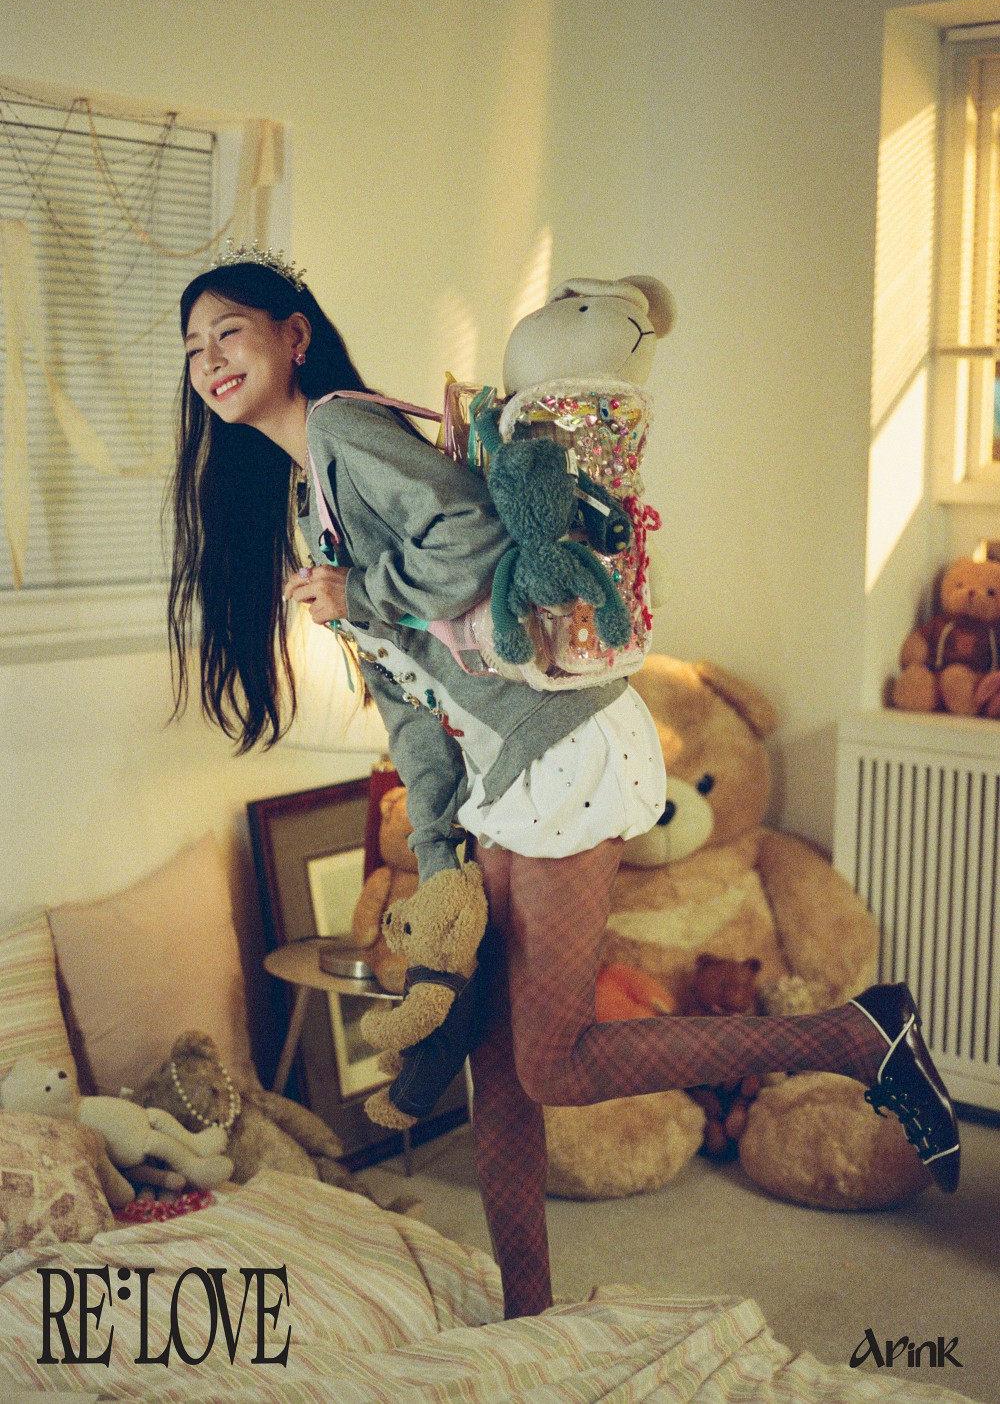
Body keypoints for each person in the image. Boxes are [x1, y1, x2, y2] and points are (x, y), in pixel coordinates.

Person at [170, 250, 961, 1321]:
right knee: (497, 1066)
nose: (209, 360)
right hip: (503, 772)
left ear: (293, 336)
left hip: (560, 746)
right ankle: (527, 1319)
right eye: (193, 348)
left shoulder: (346, 434)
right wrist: (439, 857)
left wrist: (364, 591)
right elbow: (409, 701)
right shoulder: (312, 502)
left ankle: (857, 1038)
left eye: (228, 332)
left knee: (551, 1064)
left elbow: (476, 542)